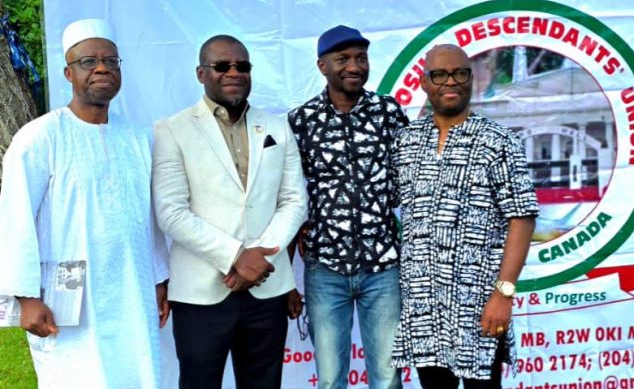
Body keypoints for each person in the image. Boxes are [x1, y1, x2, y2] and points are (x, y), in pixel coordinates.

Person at [0, 18, 170, 388]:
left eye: (110, 61)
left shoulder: (138, 139)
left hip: (132, 289)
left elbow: (148, 217)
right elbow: (15, 220)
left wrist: (159, 278)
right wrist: (26, 297)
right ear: (68, 72)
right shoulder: (40, 137)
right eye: (89, 62)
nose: (102, 69)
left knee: (137, 373)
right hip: (68, 300)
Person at [152, 34, 307, 389]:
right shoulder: (172, 130)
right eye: (222, 66)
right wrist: (236, 256)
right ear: (201, 73)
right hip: (201, 292)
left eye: (242, 66)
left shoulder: (277, 127)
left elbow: (294, 201)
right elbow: (171, 211)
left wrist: (259, 259)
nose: (234, 73)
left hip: (266, 287)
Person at [391, 44, 539, 389]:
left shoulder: (498, 141)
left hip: (480, 303)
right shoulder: (406, 142)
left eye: (460, 73)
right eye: (439, 75)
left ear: (471, 79)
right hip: (424, 305)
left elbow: (522, 218)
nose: (450, 82)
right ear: (424, 83)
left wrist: (503, 294)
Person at [288, 25, 408, 389]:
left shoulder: (388, 112)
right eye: (343, 59)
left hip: (383, 266)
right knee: (330, 379)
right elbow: (290, 196)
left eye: (361, 58)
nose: (354, 66)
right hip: (325, 268)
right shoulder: (302, 121)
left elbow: (406, 181)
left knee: (387, 377)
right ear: (322, 65)